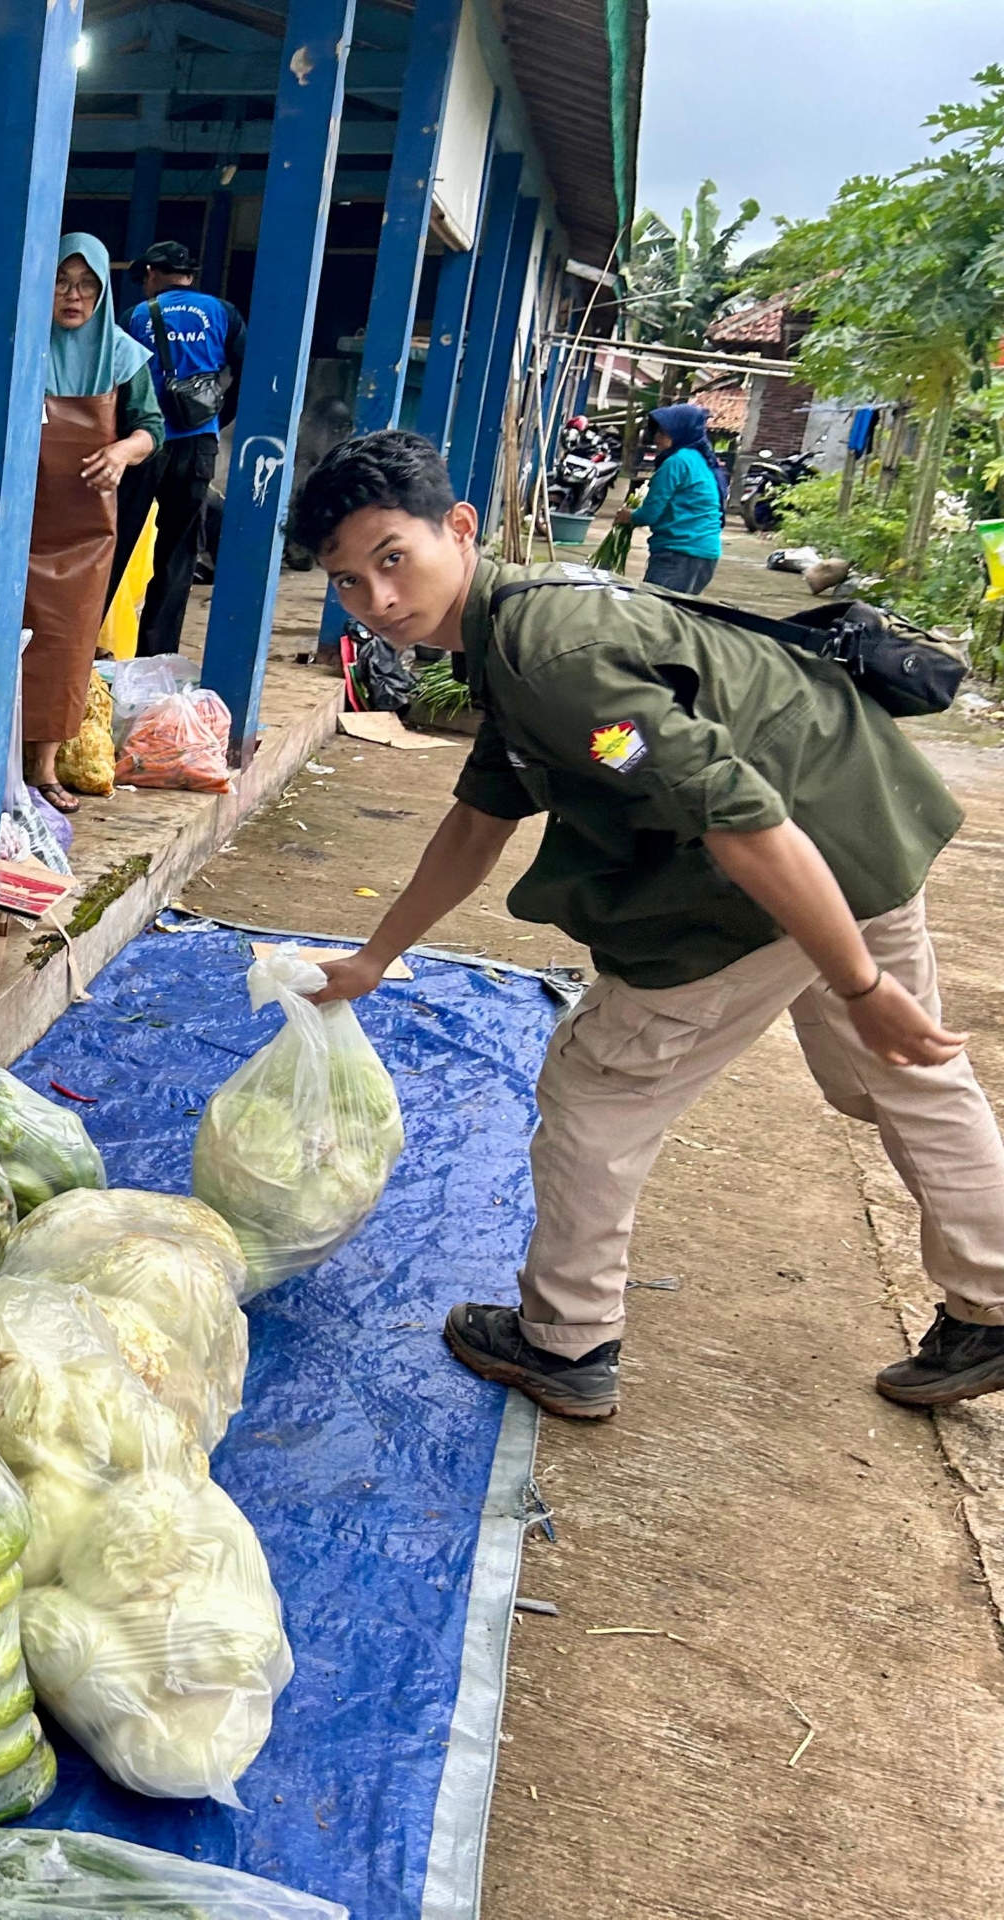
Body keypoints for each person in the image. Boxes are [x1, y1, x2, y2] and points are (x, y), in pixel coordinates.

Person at [289, 428, 1004, 1417]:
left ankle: (565, 1342)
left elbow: (733, 817)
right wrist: (377, 955)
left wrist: (860, 985)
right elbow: (479, 817)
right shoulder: (517, 624)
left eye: (390, 558)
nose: (376, 598)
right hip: (862, 814)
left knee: (595, 1089)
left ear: (458, 528)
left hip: (794, 851)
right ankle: (994, 1298)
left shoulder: (552, 663)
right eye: (346, 581)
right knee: (906, 1070)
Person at [23, 235, 163, 811]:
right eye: (61, 281)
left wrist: (122, 452)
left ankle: (44, 767)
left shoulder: (124, 358)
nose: (72, 295)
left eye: (86, 284)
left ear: (103, 292)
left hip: (84, 530)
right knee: (8, 641)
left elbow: (150, 427)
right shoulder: (24, 345)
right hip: (20, 520)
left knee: (68, 642)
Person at [121, 240, 244, 653]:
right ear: (189, 275)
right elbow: (246, 366)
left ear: (153, 274)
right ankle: (155, 654)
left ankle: (85, 640)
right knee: (177, 554)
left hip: (144, 444)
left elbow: (117, 381)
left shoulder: (136, 316)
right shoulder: (223, 313)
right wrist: (218, 418)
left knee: (115, 542)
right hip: (198, 444)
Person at [618, 402, 726, 595]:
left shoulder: (675, 463)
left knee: (655, 613)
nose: (657, 437)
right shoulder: (699, 459)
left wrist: (629, 516)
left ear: (679, 433)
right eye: (657, 431)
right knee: (678, 614)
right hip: (706, 554)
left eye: (664, 432)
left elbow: (650, 514)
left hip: (678, 553)